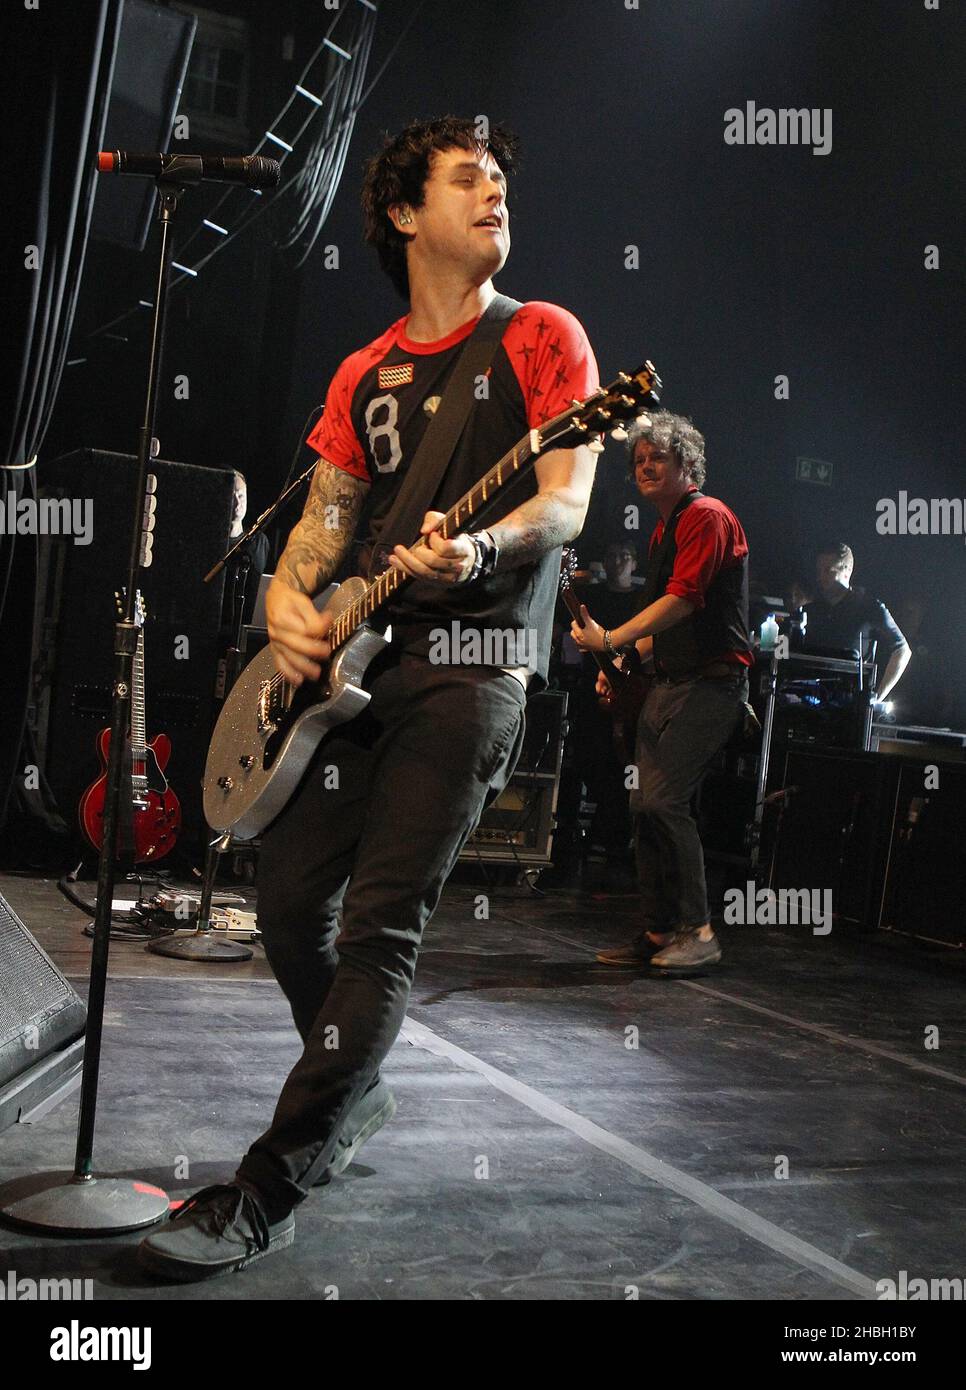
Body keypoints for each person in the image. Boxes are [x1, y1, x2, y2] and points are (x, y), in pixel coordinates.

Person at [138, 116, 598, 1281]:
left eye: (503, 176)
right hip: (360, 672)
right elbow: (322, 527)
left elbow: (564, 504)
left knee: (383, 928)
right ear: (404, 214)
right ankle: (353, 1095)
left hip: (475, 667)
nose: (496, 190)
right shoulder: (365, 372)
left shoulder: (543, 338)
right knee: (291, 909)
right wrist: (291, 609)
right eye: (468, 178)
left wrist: (481, 553)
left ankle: (265, 1185)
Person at [571, 411, 751, 973]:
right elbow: (665, 626)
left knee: (662, 801)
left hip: (712, 686)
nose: (646, 467)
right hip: (671, 684)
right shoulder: (664, 528)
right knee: (642, 806)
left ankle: (699, 932)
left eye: (658, 459)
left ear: (687, 465)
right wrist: (623, 658)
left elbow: (684, 601)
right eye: (640, 460)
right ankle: (657, 931)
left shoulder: (706, 517)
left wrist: (610, 636)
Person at [803, 542, 910, 700]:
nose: (820, 577)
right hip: (806, 696)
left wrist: (877, 697)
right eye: (819, 571)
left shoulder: (869, 607)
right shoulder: (811, 610)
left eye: (827, 571)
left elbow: (902, 650)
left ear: (847, 571)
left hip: (849, 702)